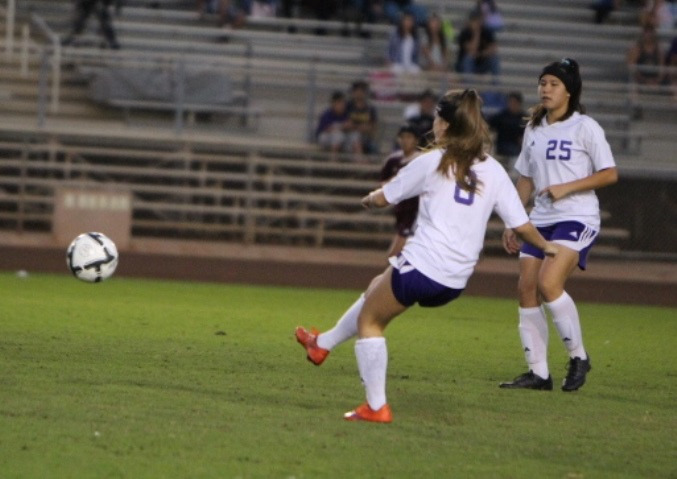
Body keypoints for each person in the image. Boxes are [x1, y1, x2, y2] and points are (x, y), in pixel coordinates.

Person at [295, 89, 559, 422]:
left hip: (423, 266)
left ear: (446, 124)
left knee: (370, 323)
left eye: (436, 117)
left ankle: (376, 407)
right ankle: (322, 344)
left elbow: (384, 198)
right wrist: (547, 247)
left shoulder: (433, 161)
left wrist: (369, 199)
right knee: (378, 285)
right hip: (455, 280)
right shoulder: (493, 170)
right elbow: (521, 225)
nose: (433, 123)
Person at [499, 58, 618, 393]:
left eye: (553, 83)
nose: (546, 89)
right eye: (543, 83)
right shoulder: (534, 128)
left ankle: (579, 357)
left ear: (569, 91)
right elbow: (526, 178)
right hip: (541, 219)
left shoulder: (586, 127)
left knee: (549, 283)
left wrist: (567, 187)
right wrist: (513, 220)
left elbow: (610, 173)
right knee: (526, 288)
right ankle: (539, 374)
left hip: (577, 216)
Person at [379, 124, 421, 257]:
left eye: (409, 137)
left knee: (394, 254)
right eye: (402, 137)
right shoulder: (393, 160)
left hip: (416, 210)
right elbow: (383, 183)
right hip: (401, 209)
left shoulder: (421, 160)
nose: (405, 141)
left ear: (416, 140)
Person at [455, 11, 501, 79]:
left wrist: (481, 54)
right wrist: (476, 34)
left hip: (481, 63)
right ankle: (469, 83)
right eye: (474, 21)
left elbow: (494, 48)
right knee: (468, 59)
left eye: (478, 21)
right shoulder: (465, 33)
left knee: (494, 59)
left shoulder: (486, 31)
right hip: (464, 65)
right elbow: (472, 51)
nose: (477, 23)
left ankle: (496, 84)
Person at [488, 91, 527, 163]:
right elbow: (489, 125)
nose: (512, 105)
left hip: (518, 148)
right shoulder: (501, 116)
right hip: (502, 146)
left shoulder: (524, 118)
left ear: (519, 103)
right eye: (510, 102)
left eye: (514, 102)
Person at [345, 80, 379, 157]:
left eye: (361, 91)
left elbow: (373, 127)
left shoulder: (370, 109)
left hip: (365, 137)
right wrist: (357, 127)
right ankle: (359, 159)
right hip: (349, 136)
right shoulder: (348, 107)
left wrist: (362, 128)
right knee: (354, 136)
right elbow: (346, 124)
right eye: (357, 91)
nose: (359, 93)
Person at [315, 91, 349, 157]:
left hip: (339, 139)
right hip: (325, 137)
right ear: (333, 103)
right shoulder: (327, 114)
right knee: (338, 136)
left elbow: (349, 126)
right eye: (340, 103)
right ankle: (333, 158)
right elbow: (327, 129)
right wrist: (341, 127)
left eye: (343, 103)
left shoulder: (345, 114)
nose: (342, 105)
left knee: (346, 137)